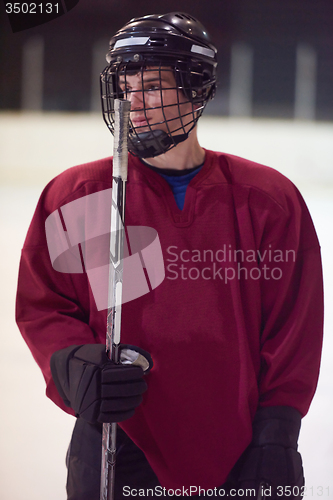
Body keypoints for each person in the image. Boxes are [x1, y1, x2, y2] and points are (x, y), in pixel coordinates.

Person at [16, 12, 324, 500]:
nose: (133, 103)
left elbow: (293, 326)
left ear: (196, 88)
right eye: (125, 85)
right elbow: (45, 304)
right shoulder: (77, 194)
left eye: (153, 86)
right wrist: (71, 362)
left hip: (240, 446)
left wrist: (278, 432)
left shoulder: (267, 198)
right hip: (118, 440)